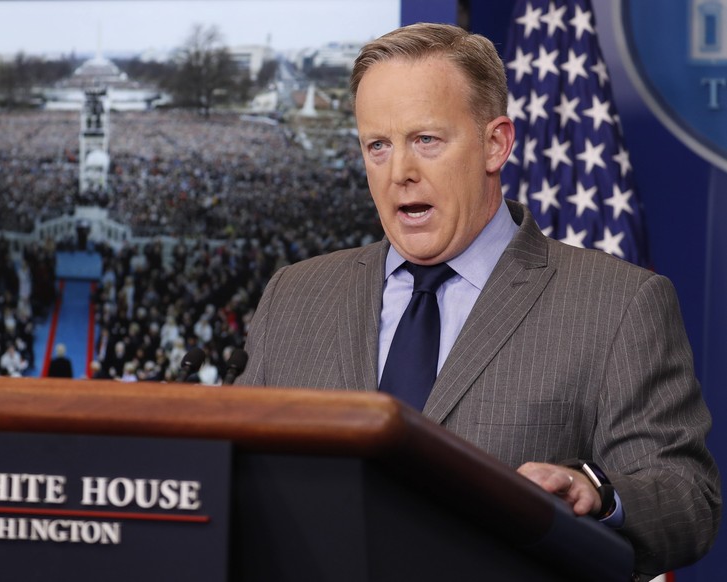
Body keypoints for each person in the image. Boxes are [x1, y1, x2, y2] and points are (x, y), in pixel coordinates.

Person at [237, 22, 721, 578]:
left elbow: (688, 501)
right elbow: (238, 475)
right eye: (378, 146)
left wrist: (597, 492)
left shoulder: (617, 304)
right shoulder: (296, 296)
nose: (400, 173)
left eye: (426, 140)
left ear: (496, 144)